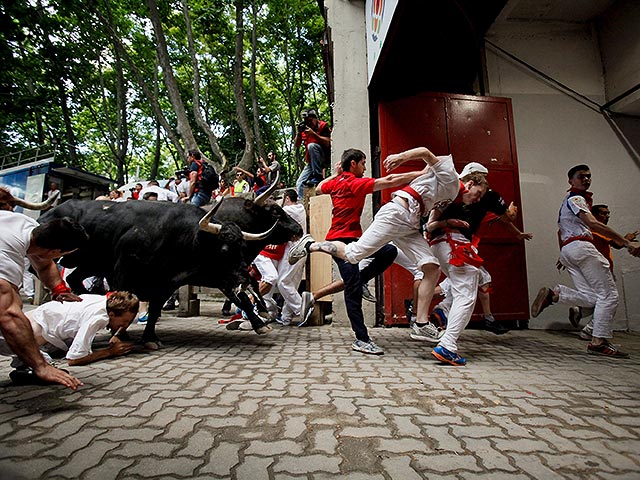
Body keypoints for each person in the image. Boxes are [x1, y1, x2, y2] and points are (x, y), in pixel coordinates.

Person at [290, 147, 462, 352]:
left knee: (397, 255)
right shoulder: (356, 182)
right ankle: (361, 338)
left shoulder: (337, 181)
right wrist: (416, 171)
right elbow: (389, 181)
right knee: (352, 279)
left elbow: (318, 188)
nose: (365, 167)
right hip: (341, 238)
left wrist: (335, 174)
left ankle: (420, 323)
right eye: (363, 163)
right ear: (352, 164)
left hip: (373, 231)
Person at [531, 165, 640, 358]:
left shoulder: (570, 202)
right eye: (581, 177)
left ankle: (555, 295)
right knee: (609, 296)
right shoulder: (576, 198)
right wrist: (625, 242)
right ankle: (598, 342)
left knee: (592, 298)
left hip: (570, 250)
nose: (586, 179)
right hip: (581, 248)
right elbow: (593, 223)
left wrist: (565, 253)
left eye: (589, 177)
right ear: (570, 181)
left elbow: (562, 230)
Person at [0, 210, 87, 389]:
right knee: (17, 332)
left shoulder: (24, 225)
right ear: (55, 251)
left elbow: (44, 262)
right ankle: (35, 365)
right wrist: (41, 366)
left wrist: (58, 289)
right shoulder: (6, 261)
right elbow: (9, 317)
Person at [423, 173, 490, 366]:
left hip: (443, 245)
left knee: (461, 291)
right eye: (478, 193)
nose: (478, 199)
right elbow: (430, 225)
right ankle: (448, 345)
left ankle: (443, 314)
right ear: (470, 183)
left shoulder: (449, 195)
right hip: (454, 245)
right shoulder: (451, 194)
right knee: (466, 297)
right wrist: (450, 223)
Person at [2, 292, 139, 373]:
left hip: (31, 321)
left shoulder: (103, 300)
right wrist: (110, 352)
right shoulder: (99, 318)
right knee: (46, 367)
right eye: (124, 322)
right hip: (26, 336)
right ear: (112, 314)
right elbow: (74, 359)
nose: (125, 326)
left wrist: (116, 335)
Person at [566, 204, 638, 339]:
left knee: (599, 299)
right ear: (594, 215)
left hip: (594, 269)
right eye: (603, 213)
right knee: (609, 300)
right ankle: (589, 330)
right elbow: (617, 244)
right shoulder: (596, 229)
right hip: (600, 269)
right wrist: (627, 240)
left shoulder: (585, 230)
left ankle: (579, 310)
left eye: (608, 214)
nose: (607, 216)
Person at [253, 189, 307, 325]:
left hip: (292, 251)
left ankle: (303, 311)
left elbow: (274, 213)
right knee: (288, 283)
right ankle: (285, 317)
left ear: (287, 199)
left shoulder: (287, 211)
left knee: (282, 282)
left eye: (272, 198)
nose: (271, 202)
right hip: (287, 251)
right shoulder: (301, 209)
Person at [294, 109, 332, 197]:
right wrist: (299, 133)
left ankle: (318, 176)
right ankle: (304, 205)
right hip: (311, 162)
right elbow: (297, 145)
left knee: (311, 146)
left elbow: (328, 142)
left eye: (310, 120)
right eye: (306, 121)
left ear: (315, 119)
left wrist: (314, 134)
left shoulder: (323, 126)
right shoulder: (305, 129)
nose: (309, 123)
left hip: (323, 157)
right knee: (300, 183)